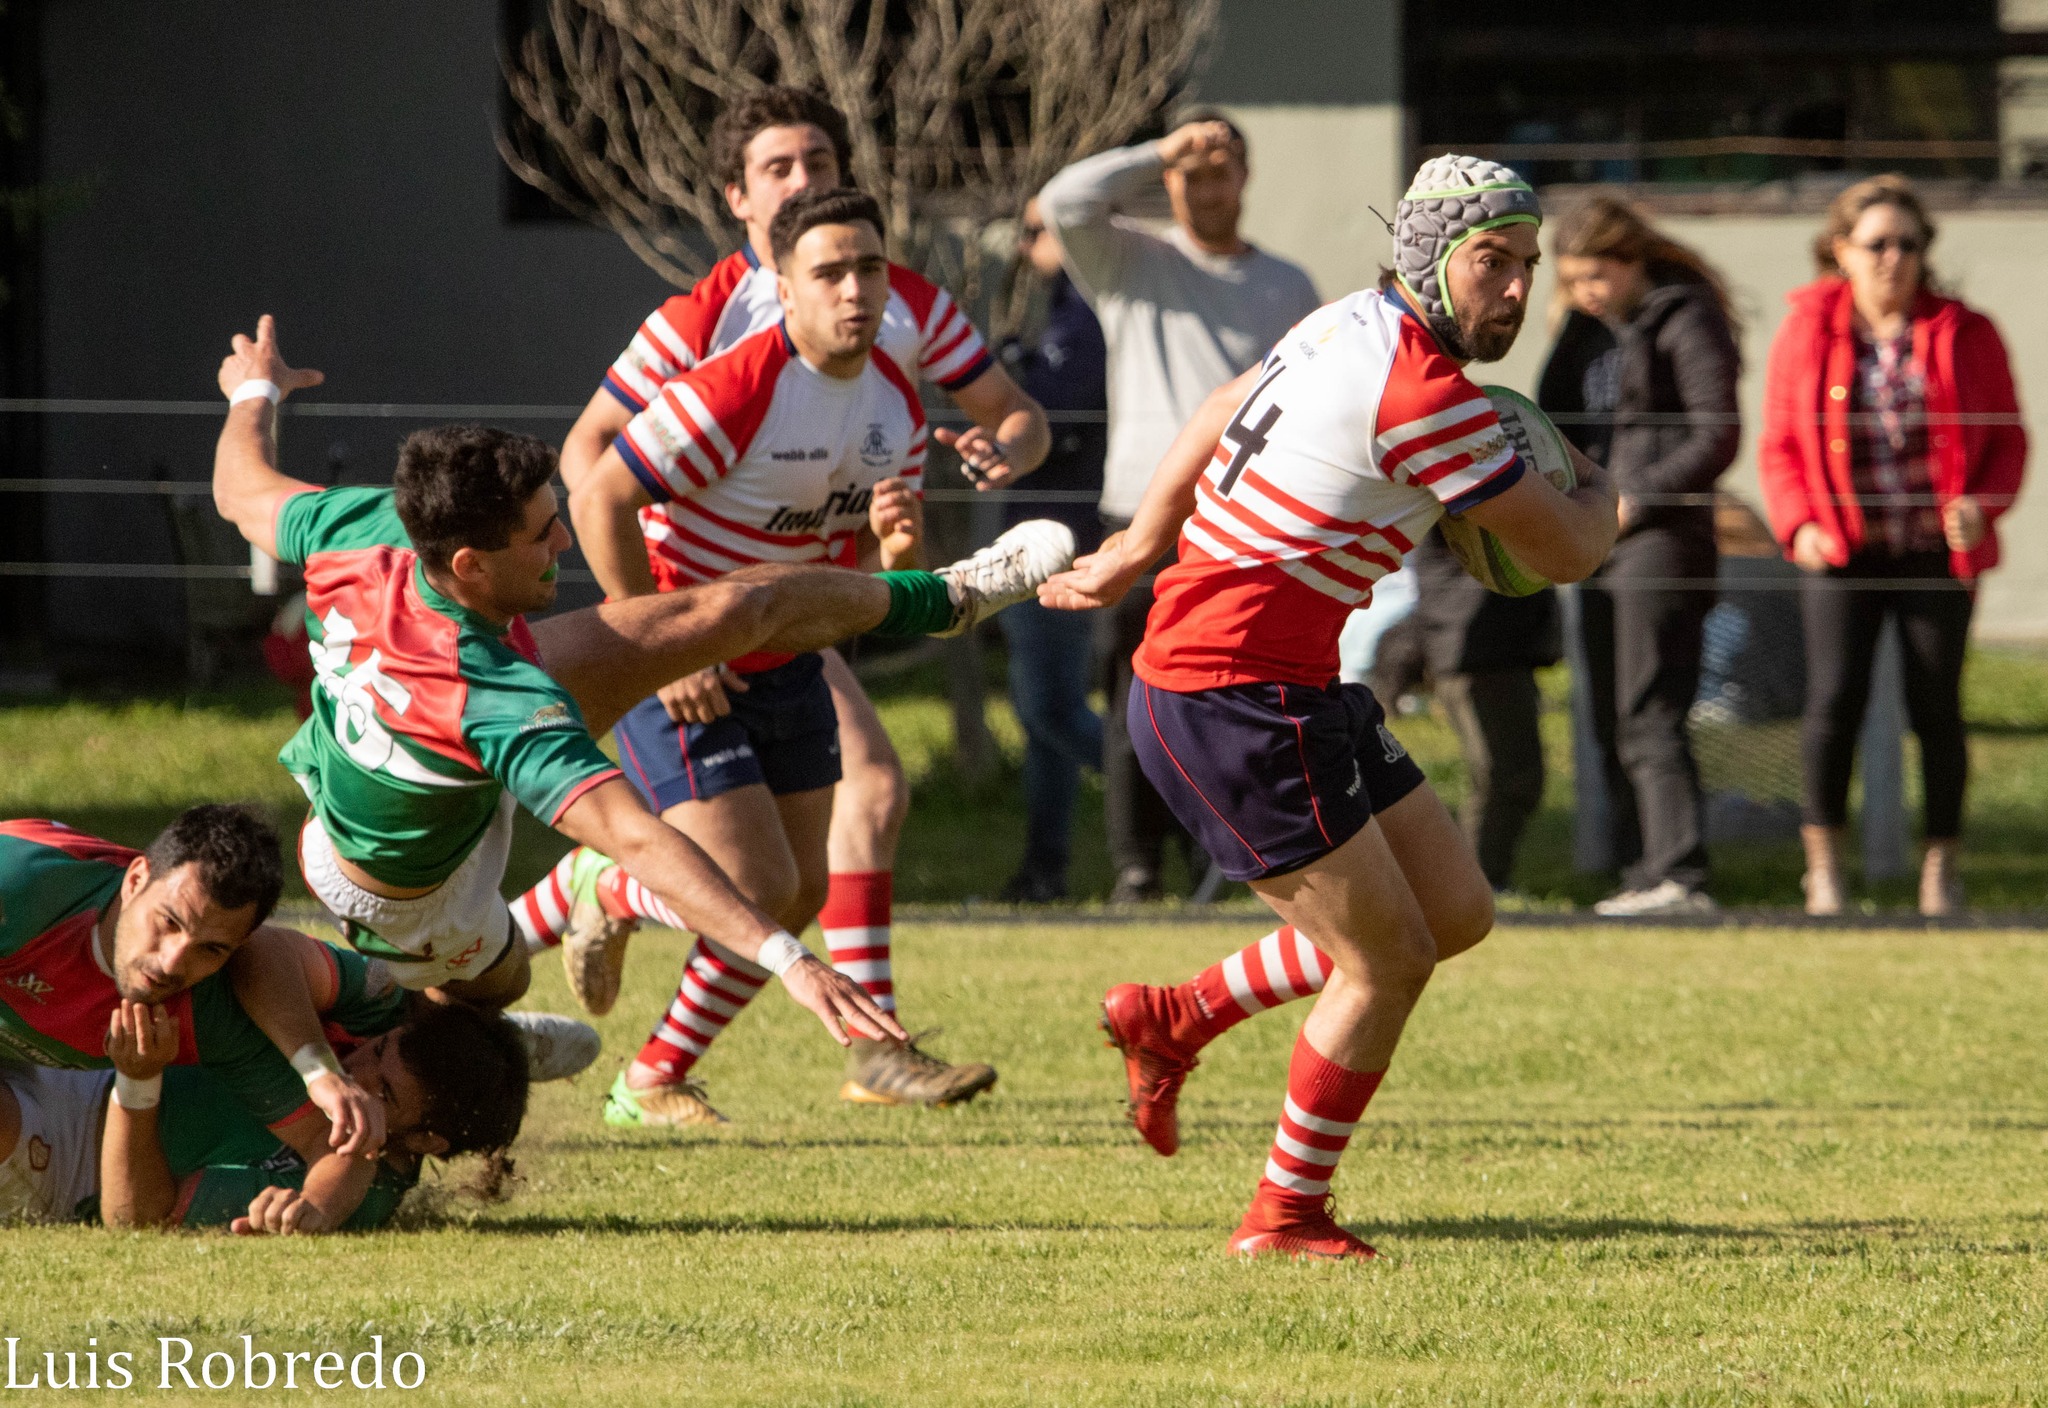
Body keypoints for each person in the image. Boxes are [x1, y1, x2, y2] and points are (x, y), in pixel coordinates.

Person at [210, 318, 1059, 1086]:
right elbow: (635, 835)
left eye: (554, 515)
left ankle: (945, 600)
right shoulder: (497, 698)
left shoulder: (372, 530)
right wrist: (793, 960)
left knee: (730, 606)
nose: (565, 540)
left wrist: (256, 389)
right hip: (412, 900)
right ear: (468, 562)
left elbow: (241, 492)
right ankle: (480, 1031)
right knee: (496, 988)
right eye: (540, 534)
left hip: (434, 744)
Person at [1044, 157, 1618, 1259]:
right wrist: (1599, 484)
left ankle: (1178, 1018)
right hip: (1229, 701)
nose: (1512, 289)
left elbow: (1219, 405)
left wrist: (1133, 547)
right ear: (1424, 256)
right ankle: (1282, 1213)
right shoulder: (1425, 401)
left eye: (1525, 265)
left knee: (1450, 914)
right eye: (1488, 262)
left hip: (1280, 684)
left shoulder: (1342, 321)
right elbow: (1569, 550)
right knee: (1384, 961)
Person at [555, 85, 1051, 1107]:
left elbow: (991, 431)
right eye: (780, 169)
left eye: (818, 161)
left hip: (787, 623)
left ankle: (682, 1052)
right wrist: (653, 638)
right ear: (742, 207)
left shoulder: (896, 363)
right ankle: (610, 904)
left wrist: (898, 547)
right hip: (685, 625)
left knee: (805, 873)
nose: (806, 182)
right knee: (769, 873)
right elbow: (593, 470)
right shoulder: (714, 340)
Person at [1040, 113, 1322, 903]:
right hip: (1137, 519)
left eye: (1220, 162)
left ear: (1247, 176)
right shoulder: (1132, 264)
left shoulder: (1288, 286)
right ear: (1166, 180)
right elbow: (1065, 201)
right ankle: (1137, 869)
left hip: (1245, 530)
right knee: (1135, 703)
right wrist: (1163, 148)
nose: (1205, 179)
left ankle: (1226, 861)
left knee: (1235, 702)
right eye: (1188, 168)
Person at [1757, 175, 2027, 917]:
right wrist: (1798, 525)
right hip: (1841, 552)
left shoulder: (1966, 331)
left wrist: (1984, 506)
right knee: (1832, 702)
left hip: (1934, 556)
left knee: (1936, 708)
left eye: (1909, 244)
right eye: (1876, 244)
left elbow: (2007, 442)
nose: (1893, 259)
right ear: (1841, 250)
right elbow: (1777, 445)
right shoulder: (1807, 329)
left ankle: (1941, 873)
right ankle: (1825, 874)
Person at [0, 810, 407, 1230]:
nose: (173, 962)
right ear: (137, 878)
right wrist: (317, 1066)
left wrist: (313, 1211)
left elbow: (334, 1146)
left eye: (210, 949)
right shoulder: (21, 886)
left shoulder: (211, 1007)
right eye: (169, 922)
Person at [1540, 196, 1742, 917]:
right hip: (1593, 541)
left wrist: (1636, 498)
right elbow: (1550, 416)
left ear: (1631, 262)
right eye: (1573, 281)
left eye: (1597, 276)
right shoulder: (1587, 327)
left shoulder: (1684, 316)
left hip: (1660, 543)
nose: (1586, 293)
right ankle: (1640, 873)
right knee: (1607, 716)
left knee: (1651, 710)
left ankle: (1682, 875)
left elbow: (1717, 433)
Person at [1, 984, 526, 1233]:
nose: (357, 1075)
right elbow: (267, 956)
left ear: (428, 1141)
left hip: (69, 1153)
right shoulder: (367, 1020)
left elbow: (135, 1216)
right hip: (85, 1046)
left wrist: (139, 1085)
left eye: (384, 1093)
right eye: (379, 1049)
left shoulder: (348, 1192)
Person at [997, 200, 1108, 902]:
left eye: (1036, 231)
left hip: (1062, 538)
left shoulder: (1085, 317)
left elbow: (1053, 418)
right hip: (1036, 530)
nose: (1023, 243)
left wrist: (1011, 369)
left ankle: (1197, 824)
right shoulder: (1060, 312)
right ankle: (1045, 869)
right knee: (1045, 726)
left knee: (1050, 710)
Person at [1408, 528, 1561, 893]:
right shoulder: (1465, 480)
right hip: (1474, 646)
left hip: (1491, 647)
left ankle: (1480, 882)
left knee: (1511, 774)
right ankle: (1477, 883)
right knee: (1504, 774)